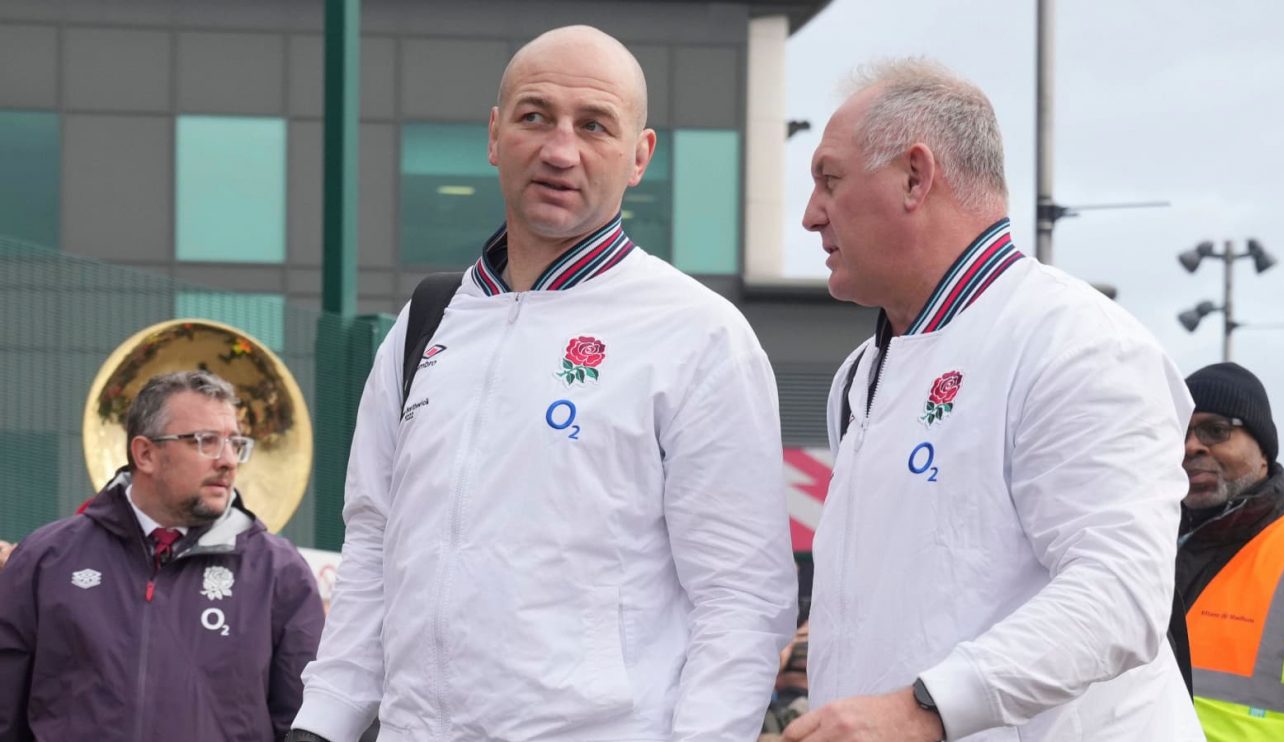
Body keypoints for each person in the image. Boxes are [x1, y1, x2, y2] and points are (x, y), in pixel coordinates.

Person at [289, 25, 796, 742]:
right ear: (496, 136)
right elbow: (374, 542)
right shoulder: (428, 322)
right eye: (535, 117)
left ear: (639, 157)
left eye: (594, 126)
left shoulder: (697, 334)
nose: (561, 150)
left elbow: (740, 599)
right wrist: (323, 724)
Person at [783, 58, 1202, 741]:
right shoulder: (861, 375)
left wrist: (922, 708)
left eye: (829, 181)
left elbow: (1121, 595)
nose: (809, 216)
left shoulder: (1078, 341)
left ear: (915, 177)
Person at [0, 370, 324, 741]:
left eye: (235, 443)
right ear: (145, 453)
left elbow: (305, 723)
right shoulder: (45, 560)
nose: (228, 461)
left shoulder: (280, 574)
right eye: (205, 441)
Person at [1178, 362, 1284, 740]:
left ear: (1263, 452)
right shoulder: (1142, 546)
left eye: (1216, 430)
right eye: (1180, 432)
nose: (1192, 446)